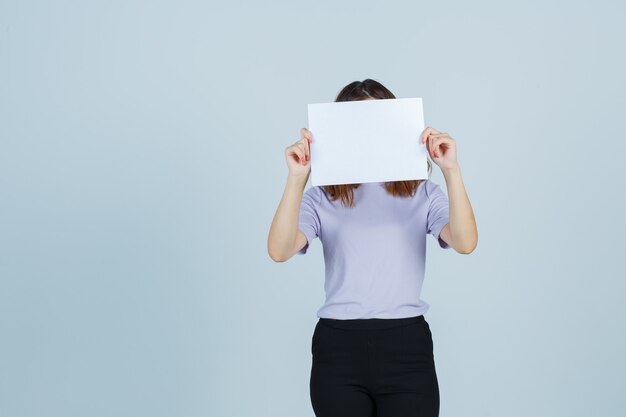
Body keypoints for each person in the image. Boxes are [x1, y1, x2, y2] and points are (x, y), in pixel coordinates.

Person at [267, 78, 478, 417]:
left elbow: (465, 242)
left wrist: (451, 171)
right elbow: (279, 250)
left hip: (407, 345)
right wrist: (296, 179)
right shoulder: (323, 197)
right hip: (338, 347)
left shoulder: (421, 194)